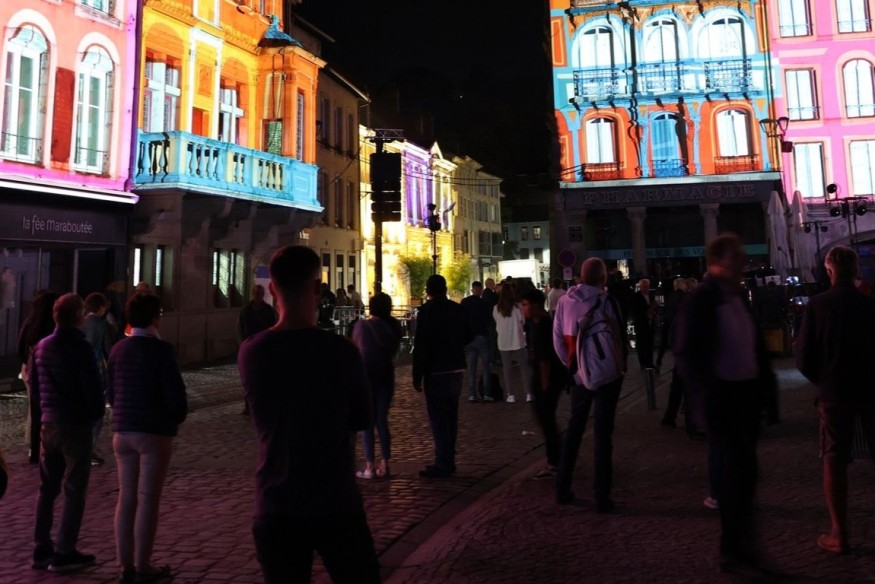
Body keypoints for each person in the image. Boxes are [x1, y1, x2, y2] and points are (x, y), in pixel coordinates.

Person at [238, 245, 379, 583]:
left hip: (276, 500)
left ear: (273, 289)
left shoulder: (252, 352)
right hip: (334, 498)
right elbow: (362, 418)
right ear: (317, 288)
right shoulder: (342, 351)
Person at [674, 233, 780, 578]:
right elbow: (687, 352)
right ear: (719, 261)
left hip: (745, 398)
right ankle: (736, 551)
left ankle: (740, 548)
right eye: (736, 258)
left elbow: (755, 348)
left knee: (745, 477)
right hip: (725, 399)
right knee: (737, 479)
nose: (742, 264)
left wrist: (767, 395)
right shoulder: (703, 299)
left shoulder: (738, 298)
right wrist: (705, 399)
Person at [795, 245, 875, 555]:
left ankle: (839, 533)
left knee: (834, 458)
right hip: (870, 390)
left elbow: (803, 357)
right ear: (856, 271)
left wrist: (824, 379)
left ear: (829, 270)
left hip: (834, 391)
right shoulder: (869, 305)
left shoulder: (818, 305)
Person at [107, 293, 187, 583]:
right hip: (153, 430)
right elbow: (175, 394)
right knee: (148, 499)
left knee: (126, 497)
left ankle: (125, 564)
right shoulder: (161, 350)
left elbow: (111, 391)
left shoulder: (118, 349)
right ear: (155, 317)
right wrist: (175, 416)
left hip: (122, 429)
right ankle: (143, 564)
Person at [31, 293, 104, 573]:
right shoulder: (81, 348)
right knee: (74, 490)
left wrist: (44, 415)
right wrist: (94, 414)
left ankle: (41, 547)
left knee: (47, 489)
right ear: (78, 317)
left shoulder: (42, 347)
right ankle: (64, 550)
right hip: (75, 424)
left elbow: (36, 391)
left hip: (49, 424)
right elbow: (93, 389)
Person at [552, 258, 628, 511]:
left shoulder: (565, 302)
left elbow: (557, 340)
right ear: (603, 278)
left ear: (581, 276)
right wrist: (619, 368)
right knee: (603, 435)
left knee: (574, 429)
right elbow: (619, 339)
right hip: (607, 376)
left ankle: (562, 487)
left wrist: (574, 369)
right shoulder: (607, 302)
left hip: (578, 376)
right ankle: (601, 496)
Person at [412, 274, 472, 478]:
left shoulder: (427, 311)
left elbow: (421, 344)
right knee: (451, 416)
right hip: (456, 367)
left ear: (428, 290)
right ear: (445, 289)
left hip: (435, 370)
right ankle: (449, 459)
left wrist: (417, 374)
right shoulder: (457, 309)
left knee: (438, 418)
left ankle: (443, 462)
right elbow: (469, 334)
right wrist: (456, 345)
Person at [351, 292, 402, 479]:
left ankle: (369, 466)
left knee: (368, 421)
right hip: (386, 373)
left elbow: (356, 350)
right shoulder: (393, 327)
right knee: (382, 419)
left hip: (366, 374)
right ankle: (385, 463)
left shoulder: (363, 326)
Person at [521, 288, 565, 480]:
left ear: (535, 306)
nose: (523, 309)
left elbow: (545, 359)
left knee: (546, 420)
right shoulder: (535, 323)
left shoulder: (544, 325)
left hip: (547, 379)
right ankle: (558, 457)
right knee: (546, 420)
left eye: (525, 304)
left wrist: (545, 386)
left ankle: (555, 461)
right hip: (543, 377)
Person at [17, 290, 60, 464]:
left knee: (36, 412)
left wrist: (27, 363)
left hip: (32, 369)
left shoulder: (30, 323)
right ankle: (50, 450)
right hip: (50, 372)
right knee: (52, 412)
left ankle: (34, 451)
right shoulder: (54, 326)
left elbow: (20, 348)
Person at [80, 292, 117, 466]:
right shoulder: (103, 325)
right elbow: (109, 348)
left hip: (80, 366)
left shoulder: (80, 323)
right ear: (101, 307)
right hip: (97, 365)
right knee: (97, 408)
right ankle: (90, 447)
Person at [237, 285, 278, 415]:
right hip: (249, 347)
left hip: (263, 347)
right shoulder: (246, 311)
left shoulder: (268, 310)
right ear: (253, 294)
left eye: (260, 293)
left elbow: (272, 327)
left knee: (262, 377)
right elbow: (240, 328)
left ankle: (261, 404)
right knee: (248, 377)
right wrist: (242, 344)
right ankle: (248, 405)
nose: (258, 296)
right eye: (256, 293)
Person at [493, 283, 533, 403]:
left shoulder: (496, 308)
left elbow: (496, 322)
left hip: (503, 342)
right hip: (518, 340)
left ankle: (510, 394)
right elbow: (523, 321)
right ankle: (528, 393)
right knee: (524, 368)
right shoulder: (518, 307)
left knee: (507, 369)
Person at [460, 281, 495, 402]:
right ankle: (486, 393)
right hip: (482, 335)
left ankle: (472, 394)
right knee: (486, 366)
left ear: (472, 289)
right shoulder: (483, 303)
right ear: (480, 290)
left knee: (472, 367)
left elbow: (462, 319)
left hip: (470, 338)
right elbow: (489, 320)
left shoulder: (465, 302)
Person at [630, 278, 656, 370]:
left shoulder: (651, 295)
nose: (646, 288)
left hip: (650, 323)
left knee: (650, 344)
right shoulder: (636, 297)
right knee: (641, 344)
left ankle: (650, 362)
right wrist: (647, 312)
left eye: (647, 286)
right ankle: (643, 363)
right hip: (641, 323)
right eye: (644, 287)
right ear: (640, 287)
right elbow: (634, 311)